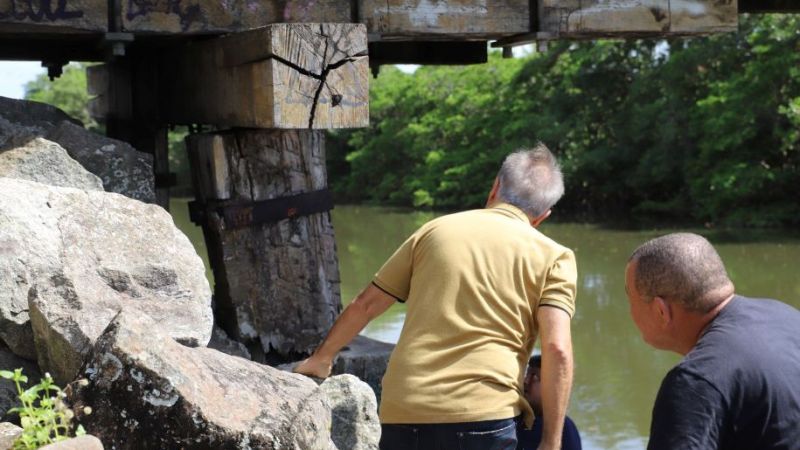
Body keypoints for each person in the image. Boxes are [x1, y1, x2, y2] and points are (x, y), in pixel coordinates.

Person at [295, 144, 577, 450]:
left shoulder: (435, 230)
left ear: (495, 186)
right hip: (483, 417)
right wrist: (551, 442)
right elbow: (557, 350)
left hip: (403, 411)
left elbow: (366, 304)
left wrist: (322, 358)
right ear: (543, 215)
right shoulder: (555, 257)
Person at [625, 232, 800, 450]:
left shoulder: (696, 381)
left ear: (662, 311)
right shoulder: (787, 316)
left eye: (630, 299)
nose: (630, 312)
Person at [518, 355, 582, 450]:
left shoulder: (564, 428)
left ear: (553, 387)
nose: (525, 381)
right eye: (527, 374)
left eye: (534, 377)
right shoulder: (516, 418)